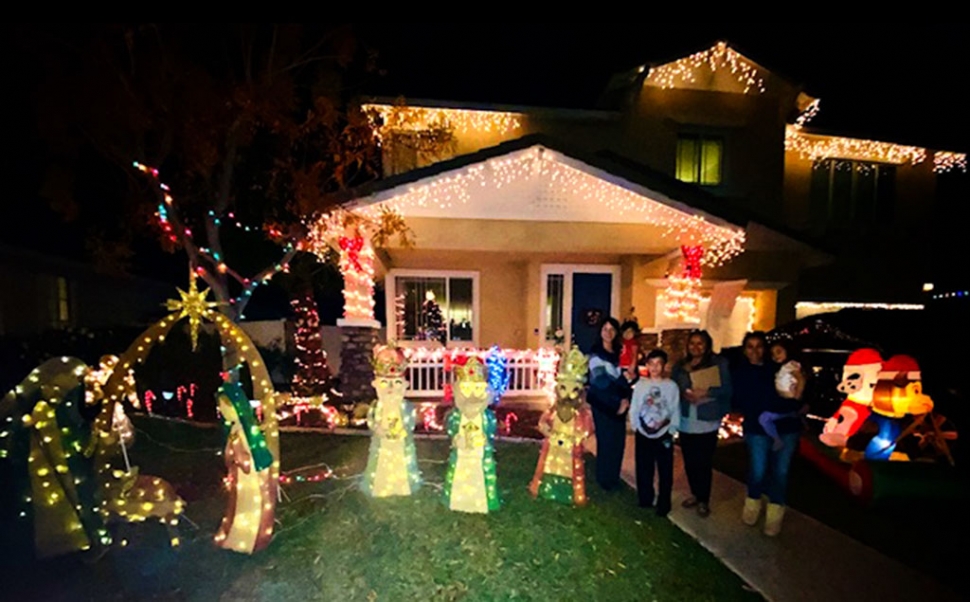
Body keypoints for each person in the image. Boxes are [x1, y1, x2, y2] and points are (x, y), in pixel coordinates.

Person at [732, 332, 803, 536]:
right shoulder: (740, 373)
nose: (754, 351)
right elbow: (740, 401)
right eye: (750, 347)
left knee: (780, 471)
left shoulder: (778, 368)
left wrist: (797, 401)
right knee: (758, 469)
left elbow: (798, 389)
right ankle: (753, 503)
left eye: (759, 346)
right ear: (744, 350)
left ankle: (775, 512)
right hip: (757, 428)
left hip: (787, 426)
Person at [671, 330, 732, 517]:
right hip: (686, 419)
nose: (696, 347)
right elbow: (673, 387)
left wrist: (706, 393)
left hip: (708, 420)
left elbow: (727, 389)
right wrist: (684, 394)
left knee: (703, 462)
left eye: (700, 343)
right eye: (692, 343)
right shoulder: (680, 366)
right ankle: (695, 494)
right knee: (689, 461)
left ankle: (704, 499)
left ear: (707, 345)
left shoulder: (718, 363)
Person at [630, 349, 680, 516]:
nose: (655, 367)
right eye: (651, 363)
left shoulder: (671, 387)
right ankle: (645, 498)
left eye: (658, 363)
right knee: (644, 467)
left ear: (664, 365)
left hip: (663, 434)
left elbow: (675, 408)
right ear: (647, 365)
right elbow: (635, 407)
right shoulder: (641, 385)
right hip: (643, 433)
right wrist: (636, 426)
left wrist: (672, 429)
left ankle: (663, 503)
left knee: (665, 470)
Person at [586, 317, 634, 491]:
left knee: (618, 442)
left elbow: (624, 378)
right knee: (606, 441)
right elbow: (601, 381)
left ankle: (614, 477)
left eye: (612, 329)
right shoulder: (595, 354)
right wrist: (620, 397)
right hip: (603, 404)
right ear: (600, 332)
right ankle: (604, 479)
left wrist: (624, 397)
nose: (608, 333)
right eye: (605, 329)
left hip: (619, 403)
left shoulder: (618, 353)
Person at [758, 340, 806, 451]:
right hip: (784, 401)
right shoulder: (782, 367)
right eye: (773, 354)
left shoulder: (791, 365)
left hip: (789, 401)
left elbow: (801, 380)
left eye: (779, 352)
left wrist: (796, 399)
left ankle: (777, 439)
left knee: (764, 418)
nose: (775, 356)